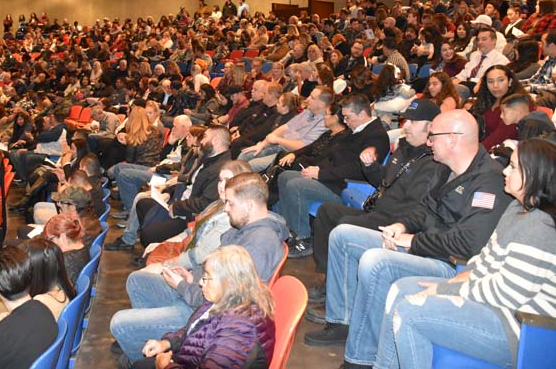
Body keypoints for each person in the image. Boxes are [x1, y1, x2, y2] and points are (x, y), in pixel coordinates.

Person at [304, 110, 510, 369]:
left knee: (376, 261)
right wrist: (401, 226)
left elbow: (469, 243)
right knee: (343, 235)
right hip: (426, 246)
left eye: (433, 136)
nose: (428, 142)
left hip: (452, 264)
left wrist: (411, 241)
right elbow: (424, 209)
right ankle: (341, 322)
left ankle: (361, 358)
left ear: (454, 139)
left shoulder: (488, 180)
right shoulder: (446, 169)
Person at [377, 139, 556, 369]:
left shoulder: (540, 226)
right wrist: (456, 281)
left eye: (512, 167)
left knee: (411, 311)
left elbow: (506, 294)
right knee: (402, 289)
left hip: (520, 330)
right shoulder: (516, 208)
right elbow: (484, 259)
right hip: (492, 307)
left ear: (533, 175)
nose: (504, 170)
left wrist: (445, 289)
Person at [110, 172, 288, 364]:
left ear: (249, 205)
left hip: (201, 308)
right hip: (199, 291)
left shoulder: (258, 244)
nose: (226, 209)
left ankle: (141, 352)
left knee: (120, 324)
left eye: (230, 203)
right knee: (137, 280)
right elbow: (220, 279)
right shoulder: (245, 229)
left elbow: (222, 300)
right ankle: (144, 334)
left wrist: (184, 286)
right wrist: (191, 278)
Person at [310, 98, 445, 301]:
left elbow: (413, 207)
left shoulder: (434, 161)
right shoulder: (403, 148)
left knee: (345, 224)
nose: (405, 126)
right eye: (405, 120)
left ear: (431, 127)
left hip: (396, 221)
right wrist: (370, 166)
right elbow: (383, 180)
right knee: (327, 212)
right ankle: (331, 276)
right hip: (378, 211)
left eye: (412, 122)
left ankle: (343, 291)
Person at [277, 94, 390, 257]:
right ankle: (291, 230)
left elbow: (358, 169)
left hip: (343, 186)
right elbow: (334, 156)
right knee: (285, 176)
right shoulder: (356, 130)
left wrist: (320, 174)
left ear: (362, 115)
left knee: (295, 185)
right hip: (330, 177)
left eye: (347, 117)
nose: (344, 121)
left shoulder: (376, 135)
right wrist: (315, 169)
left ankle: (304, 239)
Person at [130, 245, 275, 369]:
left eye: (206, 277)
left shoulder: (239, 331)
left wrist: (165, 366)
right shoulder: (222, 299)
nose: (200, 282)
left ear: (227, 282)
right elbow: (194, 330)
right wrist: (167, 343)